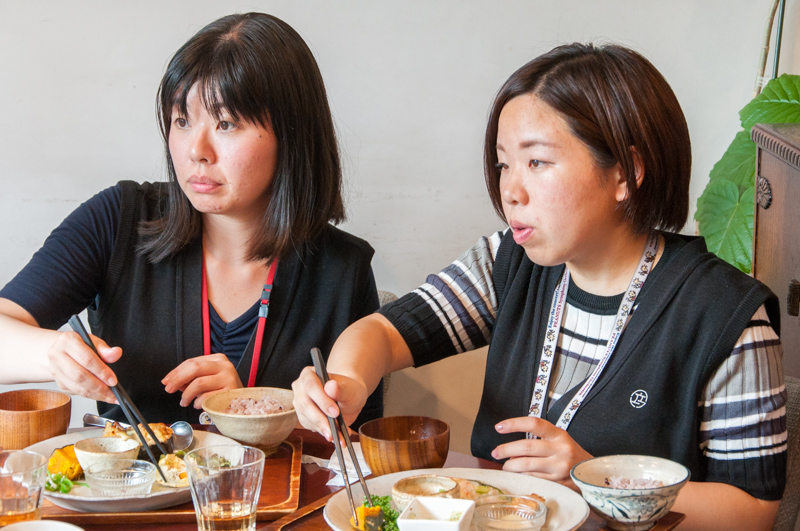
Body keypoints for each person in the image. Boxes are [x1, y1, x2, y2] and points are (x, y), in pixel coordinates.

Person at [292, 43, 786, 530]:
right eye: (504, 163)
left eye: (538, 162)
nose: (510, 190)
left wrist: (595, 479)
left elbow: (753, 511)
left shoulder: (725, 315)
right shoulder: (509, 262)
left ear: (625, 173)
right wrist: (347, 383)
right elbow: (383, 332)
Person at [0, 12, 382, 427]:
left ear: (292, 136)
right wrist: (53, 353)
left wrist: (252, 408)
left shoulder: (343, 272)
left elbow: (355, 444)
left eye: (226, 124)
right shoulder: (119, 219)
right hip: (129, 471)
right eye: (182, 121)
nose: (196, 150)